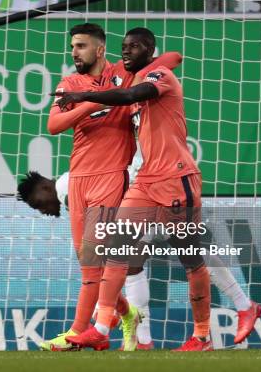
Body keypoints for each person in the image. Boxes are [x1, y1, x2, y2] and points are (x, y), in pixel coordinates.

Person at [55, 27, 239, 351]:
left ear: (149, 50)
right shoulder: (128, 77)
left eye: (134, 47)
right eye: (124, 46)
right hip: (146, 180)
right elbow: (55, 124)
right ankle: (103, 328)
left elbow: (134, 90)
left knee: (192, 257)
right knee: (117, 246)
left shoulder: (155, 77)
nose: (127, 51)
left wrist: (84, 97)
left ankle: (204, 334)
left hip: (175, 177)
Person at [27, 23, 183, 351]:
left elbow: (172, 57)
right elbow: (54, 125)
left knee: (95, 264)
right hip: (78, 179)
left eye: (81, 46)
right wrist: (92, 103)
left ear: (99, 49)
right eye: (72, 46)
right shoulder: (70, 83)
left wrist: (91, 99)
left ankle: (78, 334)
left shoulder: (124, 75)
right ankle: (123, 316)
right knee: (89, 265)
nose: (74, 53)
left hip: (111, 177)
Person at [18, 165, 261, 348]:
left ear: (45, 187)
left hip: (155, 195)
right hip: (150, 199)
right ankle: (142, 337)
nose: (45, 211)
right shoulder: (71, 185)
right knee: (146, 261)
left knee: (189, 255)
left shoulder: (66, 188)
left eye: (39, 204)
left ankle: (238, 308)